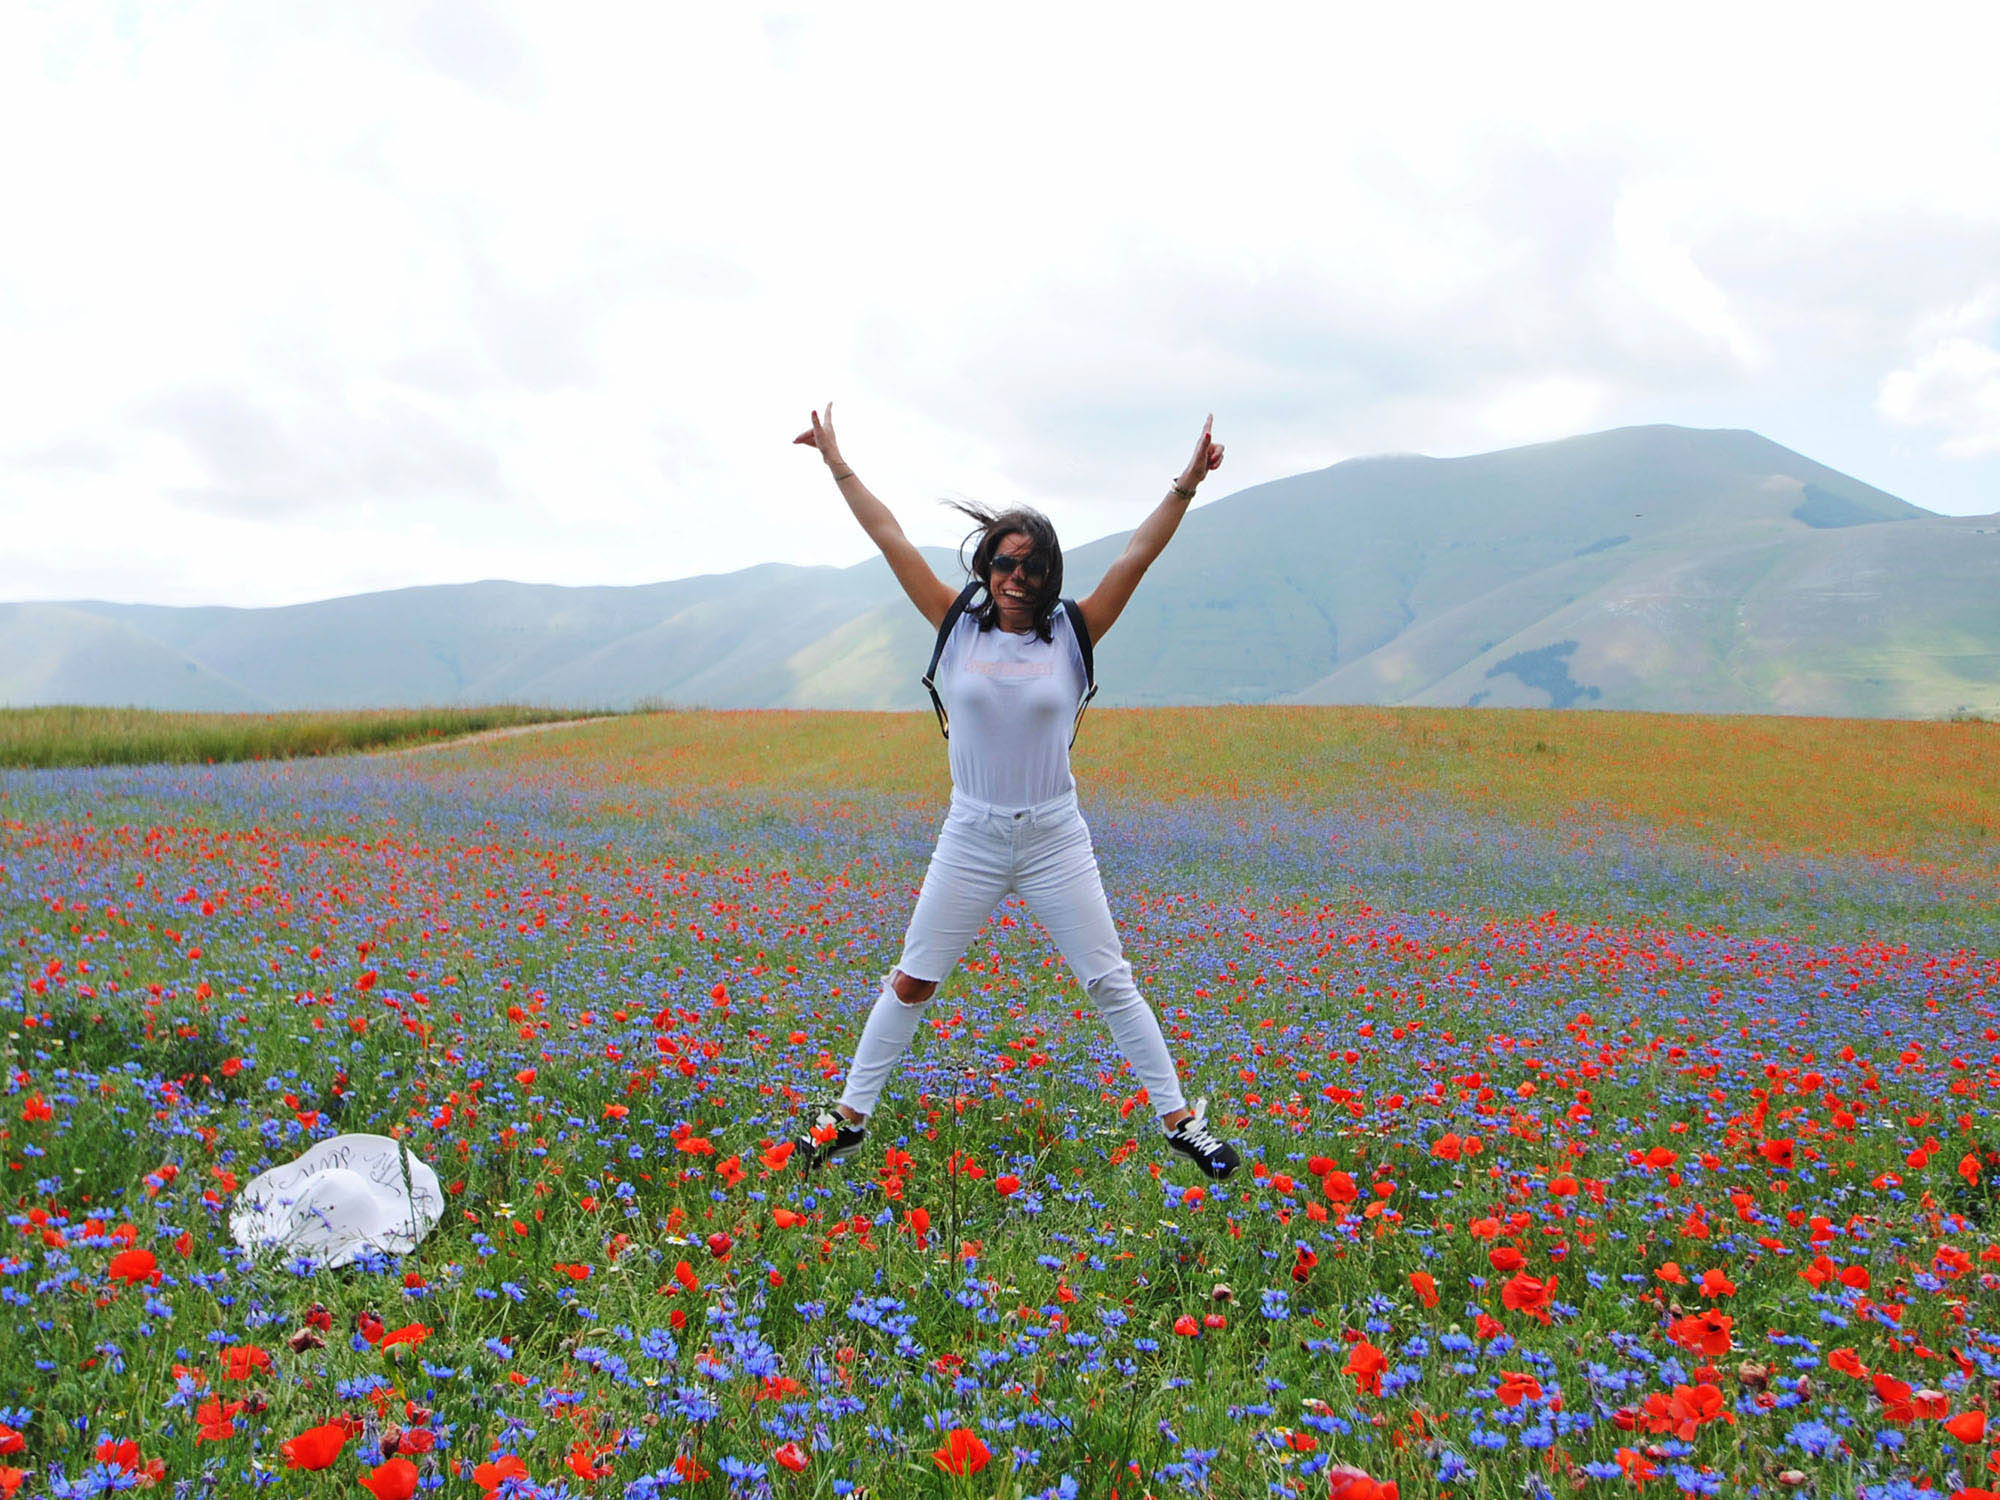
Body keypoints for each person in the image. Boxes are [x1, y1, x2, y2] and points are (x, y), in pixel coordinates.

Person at [787, 404, 1241, 1181]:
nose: (1014, 578)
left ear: (1049, 574)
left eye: (1030, 566)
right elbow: (889, 537)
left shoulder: (1074, 632)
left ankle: (1180, 1123)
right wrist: (836, 462)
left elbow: (1138, 553)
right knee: (914, 977)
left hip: (1053, 836)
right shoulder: (954, 625)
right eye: (1002, 562)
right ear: (985, 565)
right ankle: (848, 1118)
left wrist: (1187, 483)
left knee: (1108, 978)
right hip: (971, 832)